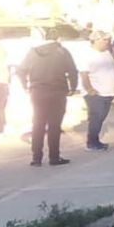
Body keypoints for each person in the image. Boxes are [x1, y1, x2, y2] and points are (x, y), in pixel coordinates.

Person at [17, 32, 79, 167]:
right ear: (58, 38)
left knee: (38, 123)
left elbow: (20, 70)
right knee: (54, 125)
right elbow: (73, 71)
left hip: (37, 91)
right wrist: (73, 87)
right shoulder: (62, 52)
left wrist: (25, 85)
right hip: (57, 91)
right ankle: (54, 157)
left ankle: (36, 158)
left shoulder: (32, 52)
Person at [79, 31, 114, 151]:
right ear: (95, 41)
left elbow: (111, 66)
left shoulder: (107, 52)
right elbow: (84, 74)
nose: (108, 42)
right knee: (96, 116)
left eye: (108, 40)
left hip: (108, 91)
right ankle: (91, 142)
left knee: (101, 116)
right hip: (96, 92)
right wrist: (89, 89)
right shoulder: (87, 54)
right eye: (105, 40)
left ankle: (95, 139)